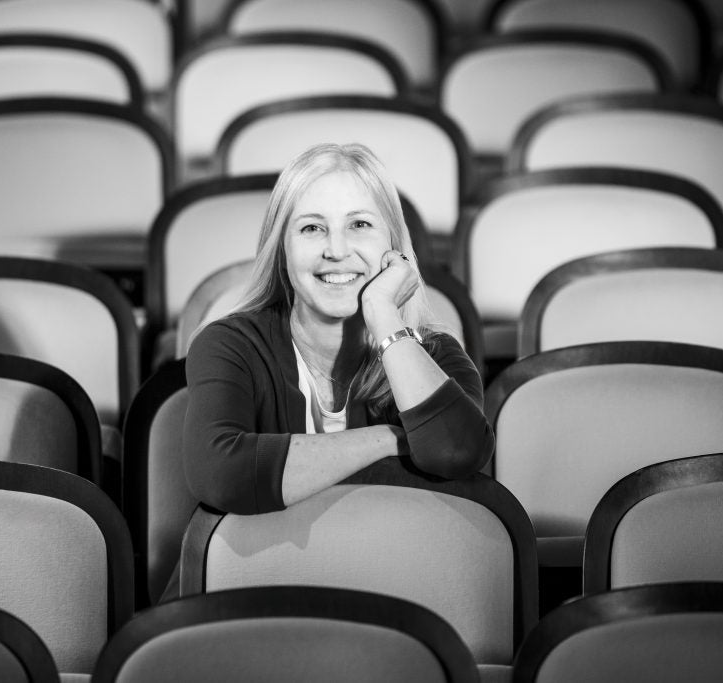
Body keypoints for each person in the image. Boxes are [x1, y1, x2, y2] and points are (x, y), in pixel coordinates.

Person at [182, 143, 494, 515]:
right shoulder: (229, 345)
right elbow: (221, 475)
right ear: (282, 250)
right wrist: (390, 439)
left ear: (394, 246)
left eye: (359, 225)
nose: (336, 249)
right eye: (312, 228)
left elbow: (457, 450)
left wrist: (383, 314)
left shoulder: (435, 354)